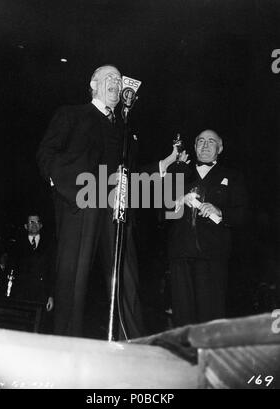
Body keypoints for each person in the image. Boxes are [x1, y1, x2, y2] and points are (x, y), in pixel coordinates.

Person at [37, 64, 181, 339]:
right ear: (94, 84)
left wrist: (165, 163)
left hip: (116, 208)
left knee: (127, 278)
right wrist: (70, 188)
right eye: (109, 78)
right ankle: (66, 344)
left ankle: (132, 343)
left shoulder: (125, 129)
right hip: (82, 202)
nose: (116, 82)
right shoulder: (72, 114)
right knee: (74, 278)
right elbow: (46, 154)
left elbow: (131, 173)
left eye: (119, 78)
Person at [168, 129, 248, 327]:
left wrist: (220, 211)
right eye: (200, 141)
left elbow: (243, 215)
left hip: (213, 258)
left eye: (211, 142)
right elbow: (162, 211)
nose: (205, 145)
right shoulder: (179, 172)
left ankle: (208, 358)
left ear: (220, 148)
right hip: (181, 255)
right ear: (194, 147)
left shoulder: (233, 176)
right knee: (182, 318)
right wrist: (178, 201)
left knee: (210, 319)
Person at [15, 214, 55, 332]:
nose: (34, 225)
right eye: (31, 222)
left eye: (37, 222)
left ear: (41, 225)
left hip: (41, 294)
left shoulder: (49, 245)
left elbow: (52, 271)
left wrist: (51, 296)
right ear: (26, 226)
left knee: (38, 328)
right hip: (22, 294)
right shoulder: (18, 245)